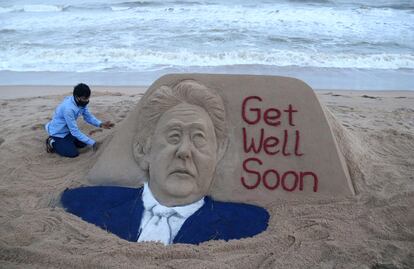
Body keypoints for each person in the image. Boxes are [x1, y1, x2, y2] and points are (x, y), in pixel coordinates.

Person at [61, 80, 269, 245]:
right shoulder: (82, 204)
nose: (185, 152)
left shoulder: (251, 223)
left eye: (198, 138)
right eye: (174, 137)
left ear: (219, 151)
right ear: (143, 150)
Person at [45, 83, 114, 158]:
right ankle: (51, 142)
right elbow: (75, 131)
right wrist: (93, 143)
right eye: (84, 98)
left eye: (88, 98)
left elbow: (88, 117)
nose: (87, 100)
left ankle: (67, 142)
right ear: (77, 97)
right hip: (58, 132)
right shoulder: (69, 109)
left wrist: (100, 124)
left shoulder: (81, 102)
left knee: (83, 144)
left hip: (68, 131)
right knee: (73, 153)